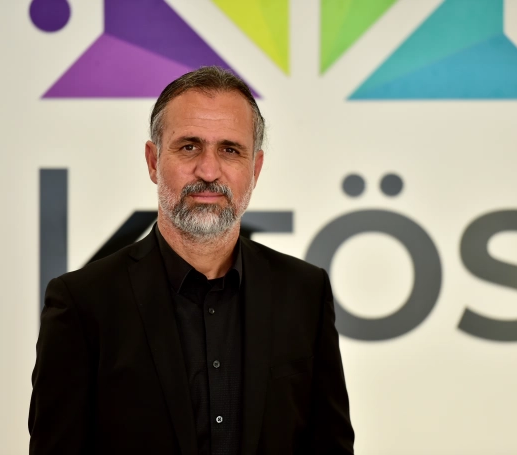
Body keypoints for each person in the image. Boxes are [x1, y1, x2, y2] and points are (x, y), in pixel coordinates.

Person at [29, 66, 354, 455]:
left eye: (230, 150)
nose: (209, 170)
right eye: (189, 147)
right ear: (153, 161)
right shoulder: (83, 303)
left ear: (255, 169)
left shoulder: (304, 293)